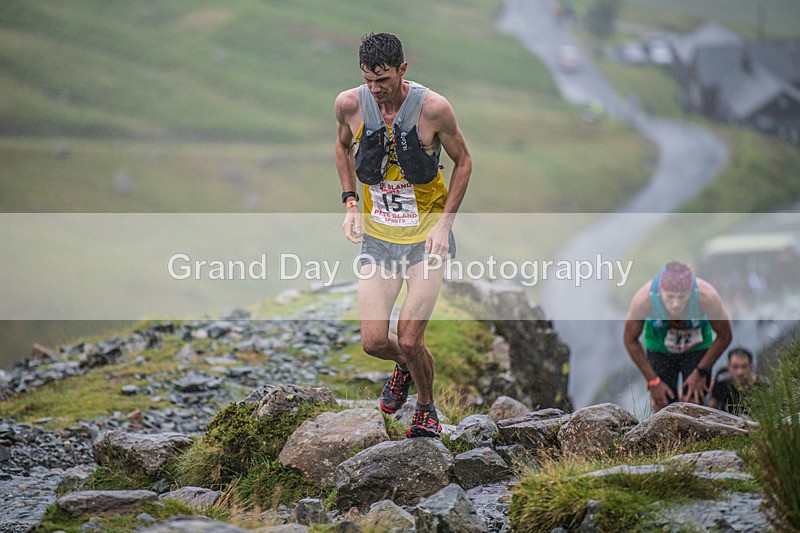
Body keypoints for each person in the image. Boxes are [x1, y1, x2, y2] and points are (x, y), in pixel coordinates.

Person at [334, 33, 472, 437]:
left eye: (384, 79)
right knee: (374, 342)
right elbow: (341, 148)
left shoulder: (434, 109)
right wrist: (350, 203)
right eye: (369, 80)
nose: (376, 89)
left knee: (411, 339)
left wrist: (445, 224)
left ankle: (426, 408)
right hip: (379, 239)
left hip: (426, 240)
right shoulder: (349, 105)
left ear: (402, 69)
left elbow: (464, 162)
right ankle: (404, 367)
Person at [623, 261, 732, 412]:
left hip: (697, 346)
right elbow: (629, 340)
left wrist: (701, 371)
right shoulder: (643, 301)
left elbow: (725, 336)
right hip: (659, 347)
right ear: (660, 293)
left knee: (694, 400)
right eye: (669, 297)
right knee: (663, 403)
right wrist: (652, 381)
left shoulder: (707, 297)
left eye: (681, 297)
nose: (675, 304)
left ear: (691, 293)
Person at [709, 347, 760, 415]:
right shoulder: (722, 384)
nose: (740, 372)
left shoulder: (761, 387)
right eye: (735, 367)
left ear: (751, 366)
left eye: (744, 366)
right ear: (729, 367)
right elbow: (713, 405)